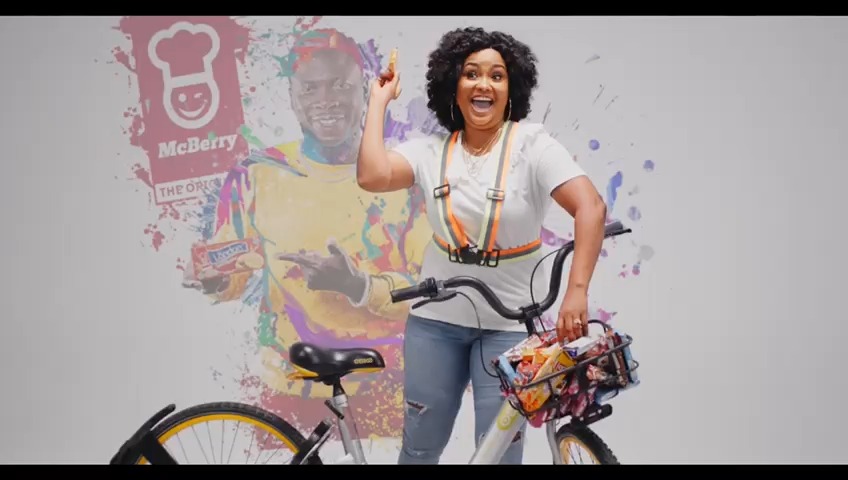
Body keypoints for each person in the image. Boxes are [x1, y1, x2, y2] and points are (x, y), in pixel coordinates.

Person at [357, 27, 608, 464]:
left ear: (512, 89)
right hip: (435, 322)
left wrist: (577, 291)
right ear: (453, 86)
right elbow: (372, 176)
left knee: (499, 453)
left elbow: (591, 207)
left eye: (497, 75)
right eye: (471, 74)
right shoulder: (430, 152)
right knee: (420, 447)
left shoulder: (532, 145)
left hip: (509, 327)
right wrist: (378, 102)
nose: (483, 85)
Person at [182, 27, 436, 440]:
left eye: (340, 85)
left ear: (365, 91)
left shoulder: (401, 176)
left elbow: (429, 292)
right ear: (292, 97)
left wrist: (357, 286)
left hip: (388, 383)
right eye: (310, 88)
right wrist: (216, 279)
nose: (326, 99)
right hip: (289, 384)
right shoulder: (257, 175)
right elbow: (234, 271)